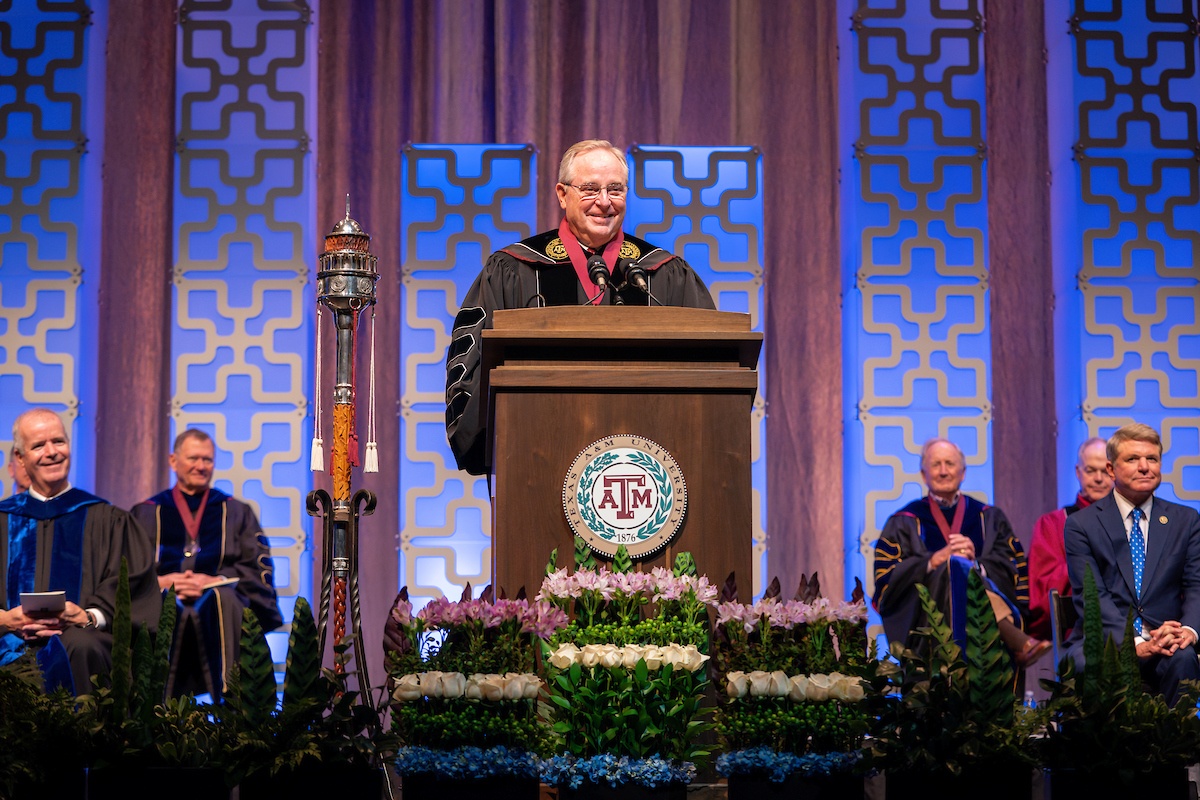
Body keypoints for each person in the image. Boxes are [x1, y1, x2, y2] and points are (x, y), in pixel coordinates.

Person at [445, 139, 717, 474]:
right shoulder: (513, 270)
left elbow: (715, 370)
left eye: (615, 189)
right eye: (589, 189)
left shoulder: (663, 273)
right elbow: (471, 372)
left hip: (650, 466)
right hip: (537, 464)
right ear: (562, 194)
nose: (604, 202)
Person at [0, 408, 160, 694]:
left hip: (83, 644)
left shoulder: (109, 520)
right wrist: (6, 620)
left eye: (58, 441)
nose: (51, 452)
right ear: (21, 459)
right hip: (7, 641)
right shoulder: (3, 519)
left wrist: (87, 617)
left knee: (80, 644)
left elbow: (133, 591)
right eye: (38, 445)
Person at [873, 437, 1049, 667]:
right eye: (936, 465)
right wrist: (932, 562)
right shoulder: (902, 523)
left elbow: (1013, 568)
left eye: (950, 464)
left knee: (961, 567)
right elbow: (887, 583)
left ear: (963, 472)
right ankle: (1016, 638)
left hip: (984, 638)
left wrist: (977, 565)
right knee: (954, 566)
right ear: (924, 475)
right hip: (929, 629)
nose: (943, 471)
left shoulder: (989, 518)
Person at [132, 429, 282, 697]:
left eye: (208, 460)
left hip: (222, 611)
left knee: (223, 600)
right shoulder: (146, 511)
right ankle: (154, 706)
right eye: (193, 458)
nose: (201, 467)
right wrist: (163, 582)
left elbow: (258, 572)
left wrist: (215, 581)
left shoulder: (236, 511)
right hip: (162, 601)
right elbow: (128, 574)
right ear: (173, 460)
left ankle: (234, 702)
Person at [1064, 423, 1200, 706]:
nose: (1144, 467)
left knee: (1185, 658)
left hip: (1167, 638)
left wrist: (1187, 630)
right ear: (1112, 469)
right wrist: (1135, 644)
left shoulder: (1186, 520)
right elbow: (1092, 597)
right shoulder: (1081, 525)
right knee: (1083, 664)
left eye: (1152, 459)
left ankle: (1176, 748)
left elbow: (1196, 584)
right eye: (1132, 459)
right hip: (1105, 639)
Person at [1026, 437, 1113, 639]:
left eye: (1105, 471)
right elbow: (1044, 591)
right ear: (1078, 472)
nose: (1099, 478)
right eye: (1091, 470)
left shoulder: (1131, 520)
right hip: (1078, 631)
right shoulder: (1053, 523)